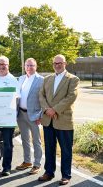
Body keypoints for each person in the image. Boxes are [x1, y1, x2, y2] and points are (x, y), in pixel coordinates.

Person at [38, 54, 79, 185]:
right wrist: (46, 109)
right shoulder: (47, 79)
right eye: (55, 63)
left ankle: (66, 175)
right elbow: (41, 95)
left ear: (65, 64)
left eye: (60, 63)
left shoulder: (73, 79)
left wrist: (54, 109)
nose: (57, 65)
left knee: (66, 149)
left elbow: (71, 97)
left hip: (63, 120)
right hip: (48, 119)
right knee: (49, 148)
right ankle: (49, 172)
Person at [16, 58, 43, 175]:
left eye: (31, 65)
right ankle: (27, 161)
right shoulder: (21, 78)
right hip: (21, 114)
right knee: (24, 139)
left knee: (36, 140)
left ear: (36, 66)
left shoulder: (41, 80)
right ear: (24, 66)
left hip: (34, 115)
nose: (29, 67)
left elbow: (44, 99)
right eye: (27, 65)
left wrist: (40, 115)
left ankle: (37, 164)